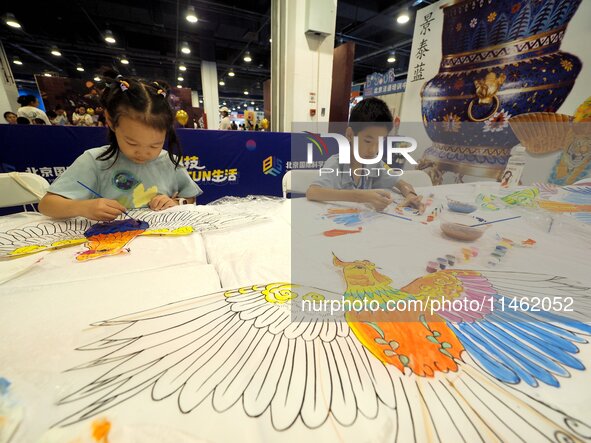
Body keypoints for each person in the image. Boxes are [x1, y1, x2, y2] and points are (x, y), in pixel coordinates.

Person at [38, 74, 202, 221]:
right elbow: (46, 205)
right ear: (110, 121)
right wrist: (84, 207)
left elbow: (190, 198)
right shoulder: (95, 161)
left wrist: (176, 202)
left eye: (155, 145)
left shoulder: (168, 161)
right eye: (132, 143)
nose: (143, 153)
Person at [306, 97, 425, 212]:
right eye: (368, 141)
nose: (373, 150)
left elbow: (400, 183)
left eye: (380, 142)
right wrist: (361, 196)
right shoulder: (336, 163)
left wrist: (411, 195)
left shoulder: (375, 163)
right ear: (350, 135)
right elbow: (313, 192)